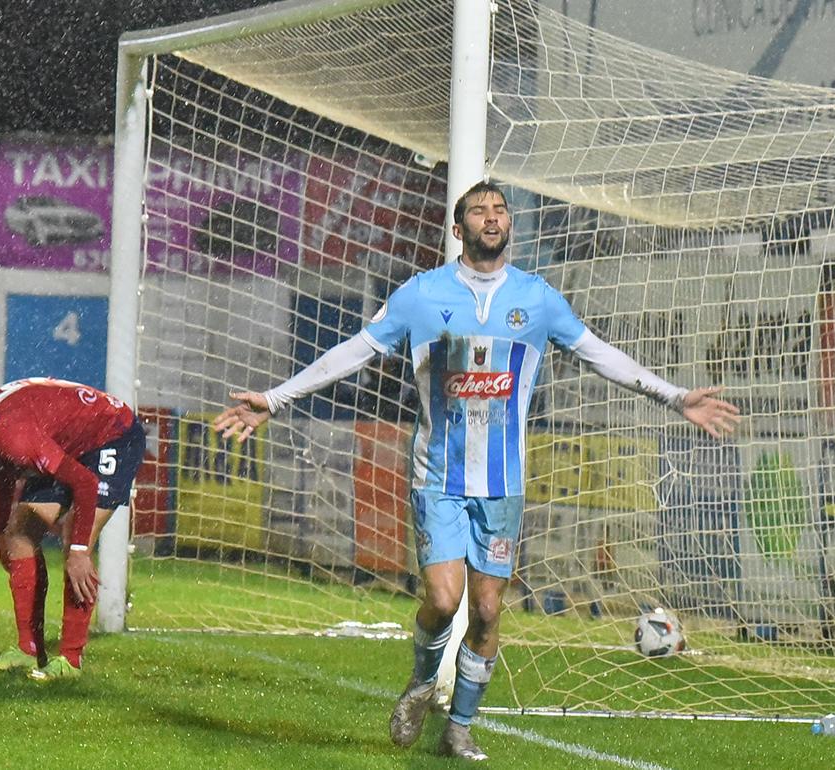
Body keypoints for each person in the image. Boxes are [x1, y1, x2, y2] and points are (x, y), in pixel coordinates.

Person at [214, 181, 739, 760]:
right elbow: (355, 350)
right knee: (443, 601)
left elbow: (599, 353)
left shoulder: (536, 299)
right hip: (438, 477)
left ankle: (460, 725)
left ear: (509, 225)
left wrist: (675, 397)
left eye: (500, 210)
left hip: (503, 486)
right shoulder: (421, 294)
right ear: (458, 229)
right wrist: (278, 397)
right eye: (478, 211)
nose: (492, 217)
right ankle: (421, 681)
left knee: (488, 610)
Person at [0, 377, 145, 681]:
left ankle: (70, 662)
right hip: (62, 441)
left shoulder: (15, 439)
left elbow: (84, 483)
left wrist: (78, 552)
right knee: (19, 538)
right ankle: (28, 650)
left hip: (111, 434)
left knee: (77, 535)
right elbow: (3, 471)